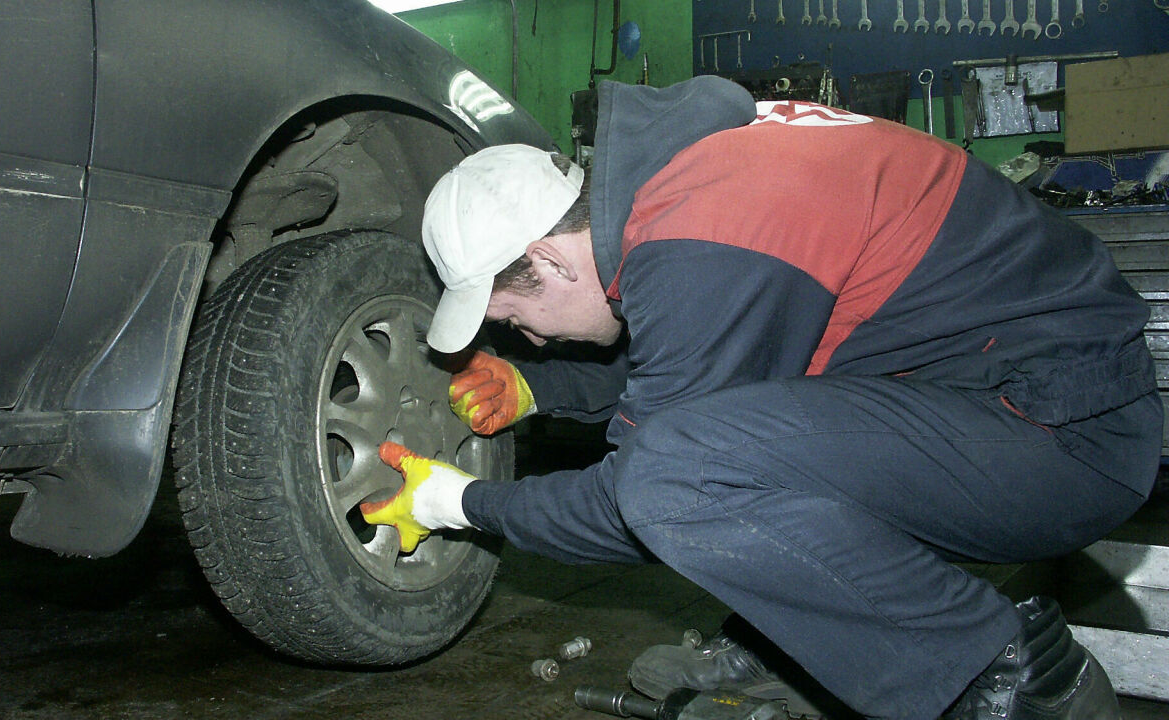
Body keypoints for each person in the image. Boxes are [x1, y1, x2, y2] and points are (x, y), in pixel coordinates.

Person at [358, 76, 1162, 719]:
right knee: (703, 447)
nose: (530, 337)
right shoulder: (690, 184)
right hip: (1010, 401)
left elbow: (636, 493)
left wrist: (462, 504)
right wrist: (540, 385)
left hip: (1064, 437)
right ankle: (800, 645)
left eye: (515, 318)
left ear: (552, 260)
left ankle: (1012, 679)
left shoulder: (699, 239)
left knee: (676, 474)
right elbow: (705, 361)